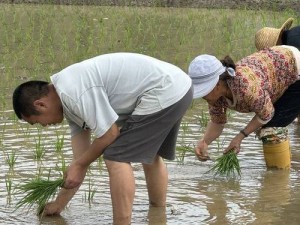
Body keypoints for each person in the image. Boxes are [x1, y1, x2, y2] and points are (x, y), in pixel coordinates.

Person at [12, 52, 193, 225]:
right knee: (151, 155)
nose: (43, 126)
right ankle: (158, 213)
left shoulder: (72, 92)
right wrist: (59, 203)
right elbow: (80, 161)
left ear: (41, 104)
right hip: (178, 86)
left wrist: (80, 165)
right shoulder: (69, 101)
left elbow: (109, 134)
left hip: (164, 90)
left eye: (36, 122)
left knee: (116, 156)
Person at [187, 45, 300, 161]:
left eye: (203, 91)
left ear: (217, 84)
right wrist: (204, 142)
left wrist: (240, 137)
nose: (202, 96)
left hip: (293, 67)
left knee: (271, 130)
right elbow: (217, 122)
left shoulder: (246, 88)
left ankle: (280, 175)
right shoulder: (215, 96)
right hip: (273, 70)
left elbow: (267, 113)